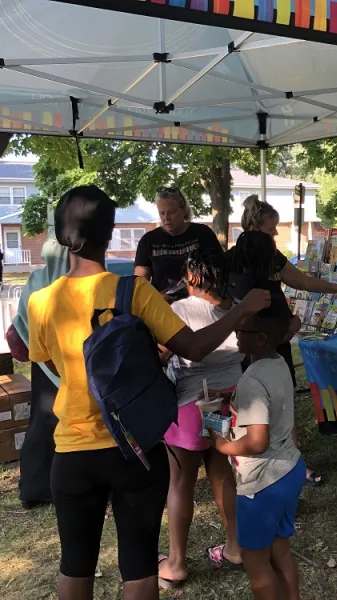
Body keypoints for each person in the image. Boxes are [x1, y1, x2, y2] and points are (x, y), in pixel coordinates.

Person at [27, 185, 270, 600]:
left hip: (71, 452)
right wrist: (241, 309)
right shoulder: (135, 293)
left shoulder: (39, 302)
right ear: (109, 232)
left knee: (75, 566)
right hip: (135, 449)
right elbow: (193, 347)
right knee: (139, 567)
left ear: (60, 234)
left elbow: (55, 367)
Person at [232, 194, 337, 486]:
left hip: (260, 342)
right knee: (278, 402)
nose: (275, 235)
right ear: (258, 227)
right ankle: (287, 463)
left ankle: (278, 460)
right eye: (272, 230)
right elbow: (303, 282)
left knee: (259, 403)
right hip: (269, 342)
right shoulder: (260, 257)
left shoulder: (237, 256)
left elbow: (301, 282)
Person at [158, 247, 244, 587]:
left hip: (191, 406)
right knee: (223, 475)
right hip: (231, 403)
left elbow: (162, 356)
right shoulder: (237, 310)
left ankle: (177, 563)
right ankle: (235, 547)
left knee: (181, 483)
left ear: (193, 276)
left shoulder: (178, 309)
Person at [210, 296, 305, 600]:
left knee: (256, 563)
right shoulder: (277, 364)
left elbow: (256, 441)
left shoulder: (252, 380)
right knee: (280, 551)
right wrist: (230, 397)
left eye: (242, 330)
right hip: (289, 469)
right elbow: (269, 402)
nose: (236, 332)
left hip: (262, 483)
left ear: (260, 338)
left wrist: (223, 445)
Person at [9, 237, 70, 509]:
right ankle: (64, 486)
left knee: (43, 420)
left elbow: (21, 320)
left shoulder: (35, 279)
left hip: (42, 361)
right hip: (72, 362)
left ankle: (34, 488)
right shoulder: (77, 282)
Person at [135, 187, 222, 295]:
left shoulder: (203, 233)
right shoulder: (148, 240)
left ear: (183, 210)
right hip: (163, 305)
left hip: (199, 302)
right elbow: (140, 282)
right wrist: (156, 299)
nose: (166, 218)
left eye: (171, 212)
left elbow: (219, 270)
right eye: (162, 213)